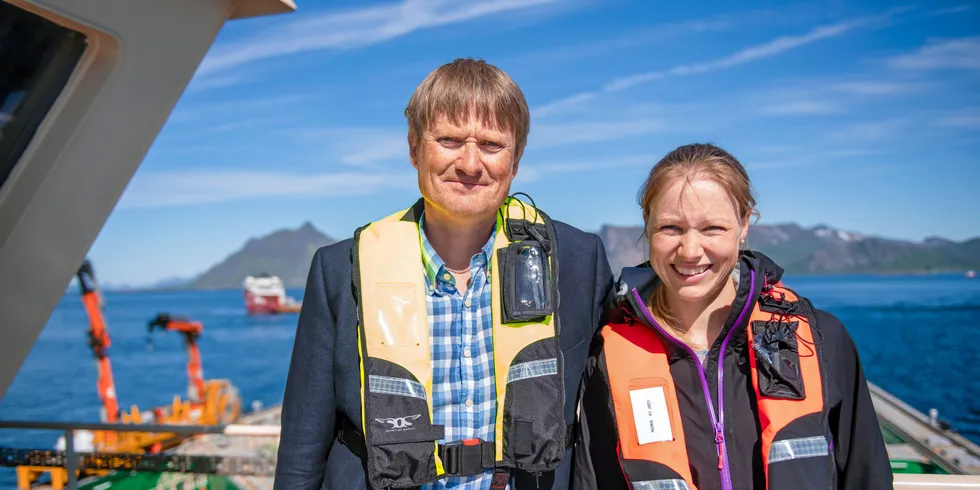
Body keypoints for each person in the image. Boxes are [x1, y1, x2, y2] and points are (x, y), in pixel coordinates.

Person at [273, 58, 614, 490]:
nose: (470, 164)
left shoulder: (577, 261)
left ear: (517, 159)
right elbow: (303, 444)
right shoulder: (341, 268)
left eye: (491, 145)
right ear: (414, 148)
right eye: (449, 140)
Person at [571, 143, 894, 490]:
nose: (691, 251)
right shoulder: (608, 357)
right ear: (647, 225)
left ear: (743, 224)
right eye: (671, 228)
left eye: (712, 228)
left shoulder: (820, 341)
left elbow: (867, 476)